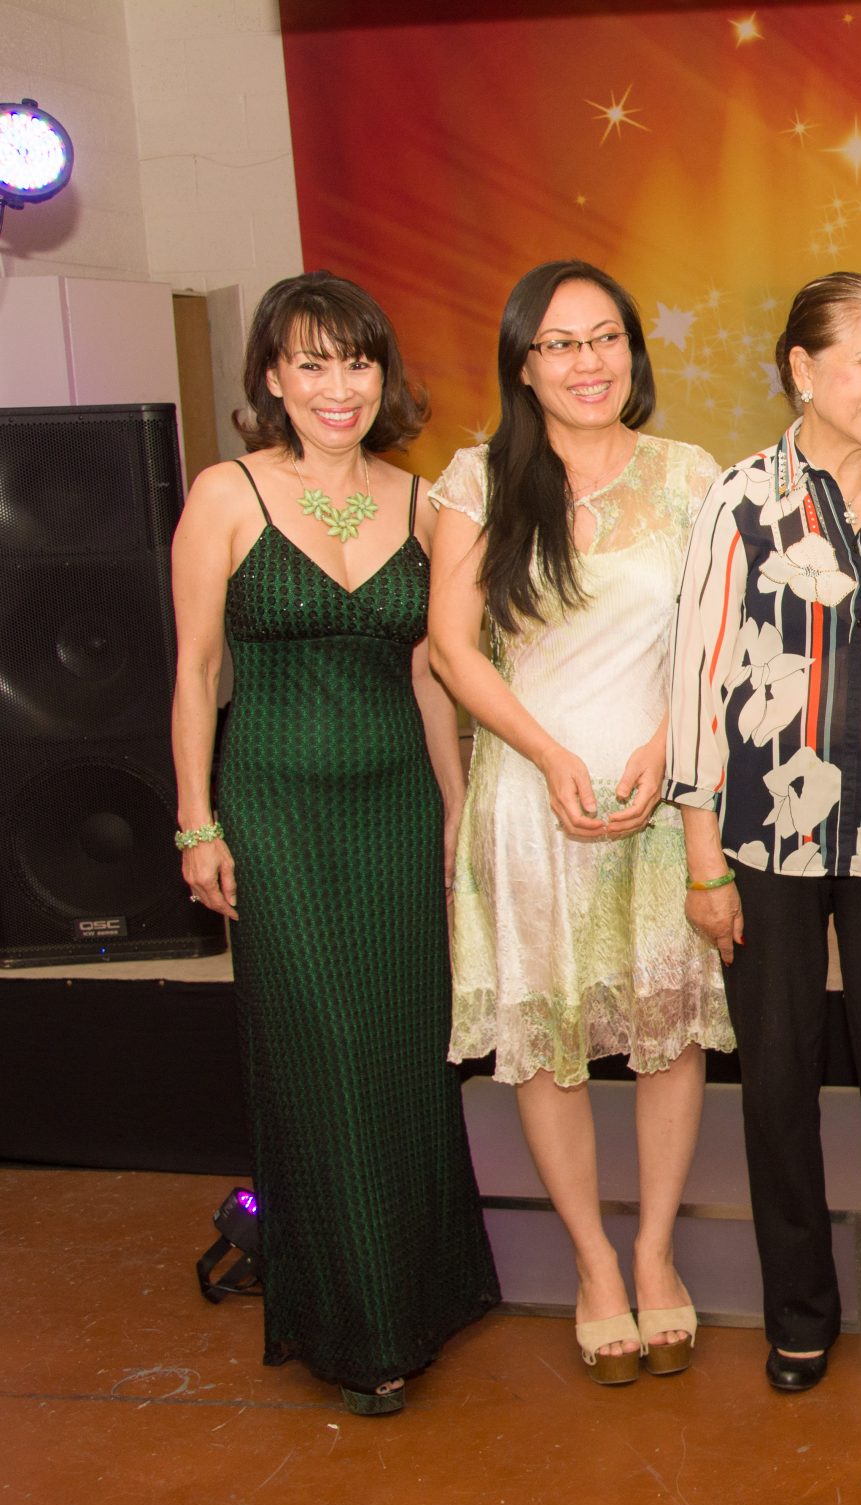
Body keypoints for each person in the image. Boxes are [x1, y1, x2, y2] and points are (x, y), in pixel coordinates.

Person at [169, 271, 499, 1417]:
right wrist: (197, 819)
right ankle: (355, 1326)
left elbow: (431, 673)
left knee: (406, 1053)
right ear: (271, 377)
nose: (337, 385)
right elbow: (195, 671)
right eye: (310, 362)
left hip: (396, 809)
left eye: (356, 361)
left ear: (382, 375)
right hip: (274, 810)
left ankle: (421, 1293)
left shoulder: (421, 503)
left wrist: (455, 808)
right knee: (325, 1051)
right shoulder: (226, 493)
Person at [427, 259, 733, 1388]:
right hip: (528, 796)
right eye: (558, 344)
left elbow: (717, 642)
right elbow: (452, 648)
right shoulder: (478, 481)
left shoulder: (691, 474)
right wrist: (547, 755)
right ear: (524, 364)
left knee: (669, 1034)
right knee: (548, 1046)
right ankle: (594, 1265)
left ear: (631, 352)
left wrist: (668, 747)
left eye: (604, 337)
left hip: (661, 796)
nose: (586, 362)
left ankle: (654, 1253)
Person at [668, 272, 861, 1401]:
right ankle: (798, 1312)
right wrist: (704, 860)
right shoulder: (742, 498)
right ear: (802, 369)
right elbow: (697, 676)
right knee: (779, 1084)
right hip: (763, 844)